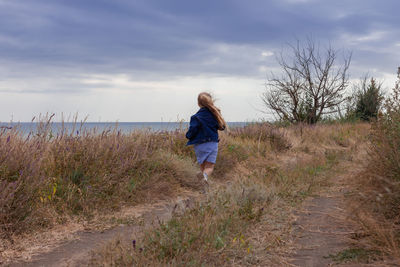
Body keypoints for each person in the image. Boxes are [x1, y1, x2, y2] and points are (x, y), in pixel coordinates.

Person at [185, 92, 226, 184]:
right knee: (209, 167)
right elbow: (222, 127)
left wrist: (188, 136)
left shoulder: (195, 117)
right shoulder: (215, 115)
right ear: (210, 102)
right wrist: (219, 114)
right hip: (212, 144)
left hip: (199, 145)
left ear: (198, 103)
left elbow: (192, 131)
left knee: (203, 167)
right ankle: (205, 177)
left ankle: (203, 185)